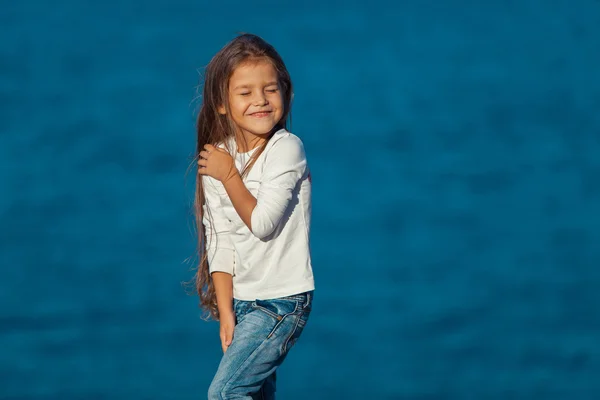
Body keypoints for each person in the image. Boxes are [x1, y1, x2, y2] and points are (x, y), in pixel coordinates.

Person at [192, 33, 315, 399]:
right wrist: (227, 312)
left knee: (225, 393)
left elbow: (262, 223)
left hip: (282, 302)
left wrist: (229, 175)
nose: (260, 100)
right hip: (245, 302)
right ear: (222, 103)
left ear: (286, 93)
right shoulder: (219, 158)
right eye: (245, 92)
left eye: (270, 89)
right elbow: (220, 238)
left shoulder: (287, 150)